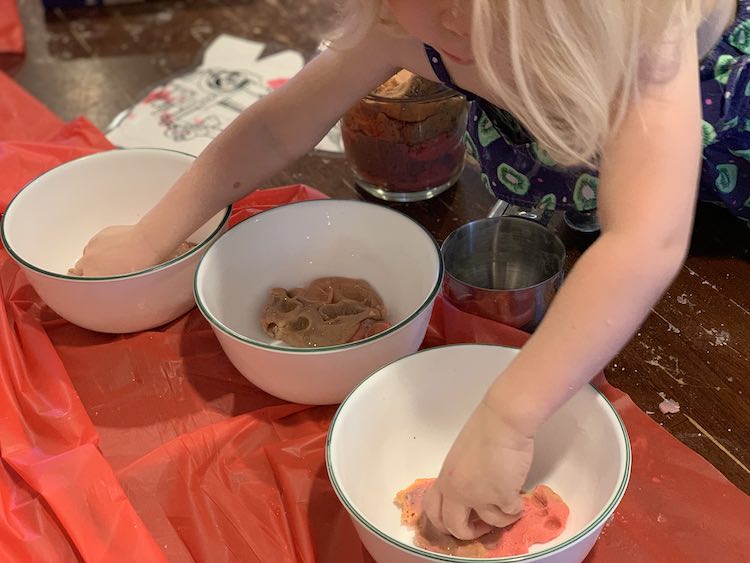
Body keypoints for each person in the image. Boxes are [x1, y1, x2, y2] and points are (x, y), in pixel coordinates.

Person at [75, 0, 746, 541]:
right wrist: (151, 236)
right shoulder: (401, 22)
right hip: (613, 161)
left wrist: (509, 416)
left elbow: (647, 239)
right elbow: (275, 131)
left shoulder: (645, 26)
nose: (457, 21)